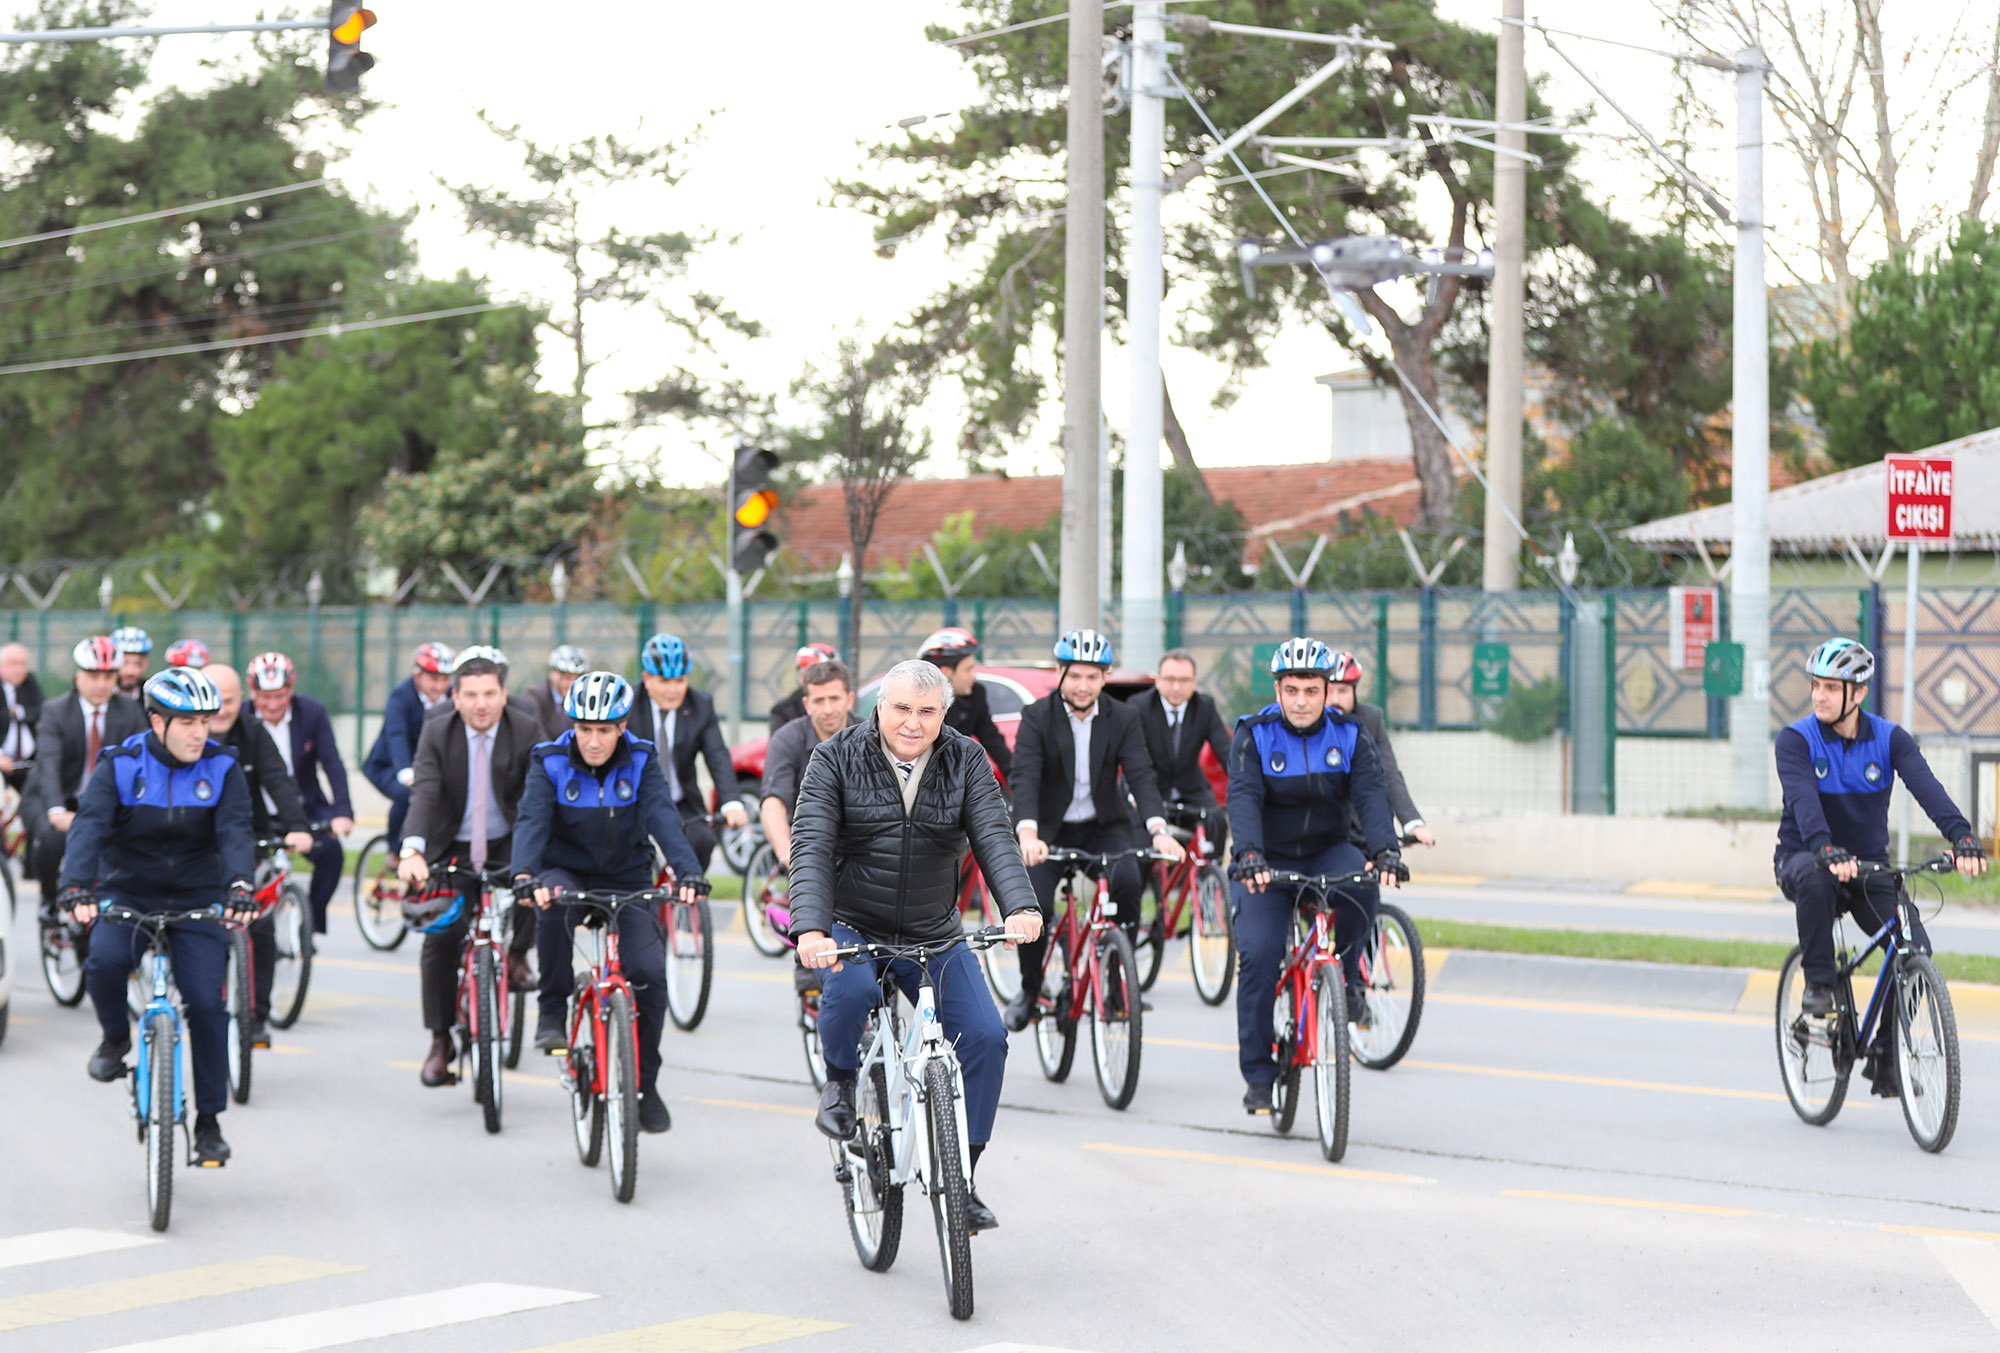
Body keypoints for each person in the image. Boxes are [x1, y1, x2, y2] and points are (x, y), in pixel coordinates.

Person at [791, 659, 1041, 1233]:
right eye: (901, 708)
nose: (912, 722)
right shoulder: (834, 758)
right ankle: (841, 1083)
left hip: (934, 929)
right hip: (854, 923)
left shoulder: (967, 759)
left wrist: (1020, 907)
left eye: (927, 712)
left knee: (984, 1037)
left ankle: (963, 1179)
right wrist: (811, 928)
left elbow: (995, 836)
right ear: (879, 705)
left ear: (943, 715)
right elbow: (810, 845)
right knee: (850, 991)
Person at [59, 667, 258, 1167]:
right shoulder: (120, 765)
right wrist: (76, 886)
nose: (199, 733)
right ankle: (114, 1038)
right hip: (129, 892)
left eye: (205, 722)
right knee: (103, 963)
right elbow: (89, 828)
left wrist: (238, 885)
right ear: (156, 721)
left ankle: (208, 1121)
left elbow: (236, 832)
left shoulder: (223, 768)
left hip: (197, 897)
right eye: (187, 722)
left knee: (209, 1008)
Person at [1776, 637, 1987, 1095]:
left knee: (1913, 947)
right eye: (1815, 685)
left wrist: (1962, 836)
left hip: (1870, 869)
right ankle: (1818, 986)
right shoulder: (1796, 740)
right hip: (1807, 857)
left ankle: (1888, 1059)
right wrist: (1824, 848)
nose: (1819, 696)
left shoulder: (1890, 740)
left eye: (1831, 688)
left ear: (1858, 694)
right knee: (1816, 880)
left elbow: (1928, 789)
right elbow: (1803, 802)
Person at [510, 671, 709, 1134]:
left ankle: (646, 1083)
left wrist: (688, 871)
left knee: (647, 975)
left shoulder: (641, 758)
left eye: (604, 730)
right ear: (572, 726)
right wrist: (525, 874)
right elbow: (531, 820)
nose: (593, 741)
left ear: (622, 726)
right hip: (567, 870)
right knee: (553, 905)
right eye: (584, 729)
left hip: (627, 877)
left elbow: (662, 814)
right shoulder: (549, 759)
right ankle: (553, 1009)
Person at [1227, 638, 1402, 1116]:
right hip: (1264, 859)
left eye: (1311, 690)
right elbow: (1242, 799)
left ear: (1328, 691)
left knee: (1364, 888)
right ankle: (1260, 1076)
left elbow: (1370, 794)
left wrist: (1386, 850)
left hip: (1327, 851)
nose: (1301, 700)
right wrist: (1248, 856)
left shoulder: (1349, 734)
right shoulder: (1253, 733)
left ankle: (1342, 977)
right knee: (1260, 959)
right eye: (1291, 690)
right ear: (1278, 691)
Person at [1003, 629, 1183, 1032]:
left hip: (1104, 827)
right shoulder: (1037, 716)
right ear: (1059, 674)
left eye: (1093, 676)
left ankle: (1119, 982)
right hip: (1048, 833)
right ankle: (1031, 990)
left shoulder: (1123, 717)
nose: (1083, 686)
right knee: (1037, 910)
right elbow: (1025, 777)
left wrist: (1158, 829)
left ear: (1105, 678)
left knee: (1128, 884)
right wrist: (1028, 834)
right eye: (1075, 676)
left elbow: (1140, 775)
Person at [395, 648, 543, 1087]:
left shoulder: (527, 729)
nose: (481, 704)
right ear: (455, 697)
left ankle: (516, 956)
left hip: (508, 841)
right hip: (449, 848)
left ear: (504, 694)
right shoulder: (437, 733)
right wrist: (413, 850)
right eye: (471, 694)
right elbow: (424, 793)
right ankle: (441, 1041)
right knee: (440, 941)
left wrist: (538, 851)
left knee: (534, 882)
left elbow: (537, 798)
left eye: (490, 693)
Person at [209, 665, 315, 1045]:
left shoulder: (253, 732)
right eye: (215, 701)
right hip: (198, 844)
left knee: (262, 924)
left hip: (248, 837)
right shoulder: (187, 731)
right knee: (204, 929)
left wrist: (297, 826)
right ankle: (206, 1005)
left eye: (231, 701)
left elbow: (278, 779)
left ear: (244, 700)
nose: (222, 710)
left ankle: (257, 1014)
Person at [759, 660, 860, 996]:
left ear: (850, 698)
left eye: (835, 699)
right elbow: (773, 801)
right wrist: (788, 853)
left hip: (863, 847)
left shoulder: (871, 735)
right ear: (806, 704)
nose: (828, 709)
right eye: (819, 701)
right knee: (811, 929)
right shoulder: (788, 738)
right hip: (809, 849)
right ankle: (810, 989)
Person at [24, 638, 146, 913]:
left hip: (106, 801)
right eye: (93, 676)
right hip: (58, 798)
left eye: (108, 676)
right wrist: (56, 811)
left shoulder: (130, 711)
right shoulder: (56, 711)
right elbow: (49, 763)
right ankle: (49, 901)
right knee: (51, 840)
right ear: (77, 675)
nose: (101, 684)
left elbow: (140, 762)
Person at [245, 652, 355, 934]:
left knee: (331, 853)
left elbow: (332, 762)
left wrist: (342, 811)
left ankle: (310, 922)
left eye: (280, 696)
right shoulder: (242, 718)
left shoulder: (312, 713)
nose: (272, 705)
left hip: (304, 806)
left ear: (291, 691)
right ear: (252, 692)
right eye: (263, 696)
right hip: (255, 811)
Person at [626, 633, 748, 873]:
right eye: (664, 681)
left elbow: (717, 756)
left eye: (680, 681)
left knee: (702, 841)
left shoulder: (700, 705)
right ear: (646, 679)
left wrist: (731, 801)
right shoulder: (627, 705)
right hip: (633, 799)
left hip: (681, 801)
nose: (673, 690)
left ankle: (687, 904)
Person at [1324, 650, 1434, 848]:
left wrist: (1412, 823)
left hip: (1362, 832)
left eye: (1342, 691)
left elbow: (1388, 773)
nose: (1334, 699)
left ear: (1354, 692)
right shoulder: (1306, 724)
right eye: (1328, 691)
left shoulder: (1370, 720)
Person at [1128, 647, 1233, 849]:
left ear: (1194, 682)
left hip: (1192, 789)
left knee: (1217, 823)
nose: (1176, 687)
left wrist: (1244, 784)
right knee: (1139, 851)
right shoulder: (1139, 706)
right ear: (1157, 680)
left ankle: (1209, 878)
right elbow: (1134, 758)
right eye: (1169, 679)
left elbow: (1225, 752)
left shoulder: (1205, 706)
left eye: (1184, 680)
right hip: (1151, 789)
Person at [363, 643, 455, 850]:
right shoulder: (400, 697)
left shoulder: (453, 697)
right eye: (433, 679)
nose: (440, 686)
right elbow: (397, 736)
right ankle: (395, 850)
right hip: (388, 766)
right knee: (409, 795)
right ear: (417, 676)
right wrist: (406, 773)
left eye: (445, 679)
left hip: (427, 768)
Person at [919, 627, 1011, 780]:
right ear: (946, 672)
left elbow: (993, 742)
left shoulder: (975, 695)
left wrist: (1019, 786)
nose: (973, 676)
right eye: (968, 669)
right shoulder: (914, 702)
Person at [0, 641, 46, 790]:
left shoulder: (29, 684)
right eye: (14, 663)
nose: (19, 669)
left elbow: (42, 711)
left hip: (28, 764)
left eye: (23, 664)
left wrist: (19, 713)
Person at [768, 643, 839, 733]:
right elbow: (780, 744)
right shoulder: (783, 711)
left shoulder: (847, 708)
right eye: (802, 672)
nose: (828, 710)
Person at [525, 644, 589, 741]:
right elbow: (536, 736)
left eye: (577, 678)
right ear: (553, 674)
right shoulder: (534, 698)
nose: (572, 684)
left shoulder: (585, 698)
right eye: (567, 677)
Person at [111, 626, 152, 695]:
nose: (130, 671)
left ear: (145, 665)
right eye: (123, 663)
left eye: (137, 663)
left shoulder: (152, 696)